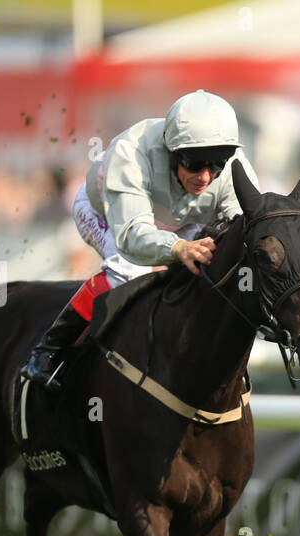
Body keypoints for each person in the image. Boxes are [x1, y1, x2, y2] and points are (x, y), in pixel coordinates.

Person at [21, 90, 259, 390]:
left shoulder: (232, 164)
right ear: (171, 150)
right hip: (109, 214)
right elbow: (132, 237)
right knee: (128, 270)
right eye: (195, 163)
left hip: (178, 222)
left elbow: (246, 228)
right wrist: (178, 248)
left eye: (217, 164)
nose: (205, 176)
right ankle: (48, 352)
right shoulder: (131, 152)